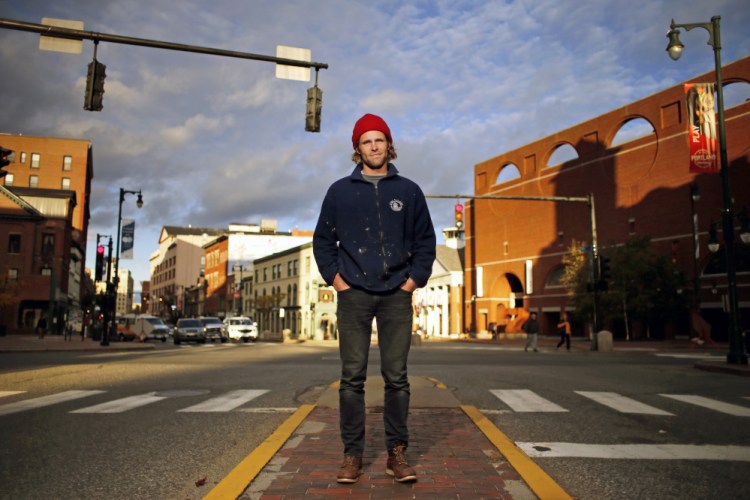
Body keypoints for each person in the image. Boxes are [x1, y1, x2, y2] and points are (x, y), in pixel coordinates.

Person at [313, 113, 436, 484]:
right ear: (357, 148)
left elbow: (425, 242)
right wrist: (338, 282)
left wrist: (412, 283)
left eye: (379, 140)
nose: (374, 146)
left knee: (396, 377)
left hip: (397, 294)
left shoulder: (408, 191)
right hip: (354, 295)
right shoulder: (339, 191)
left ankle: (396, 453)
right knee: (352, 378)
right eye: (366, 141)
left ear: (389, 144)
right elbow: (323, 242)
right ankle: (352, 455)